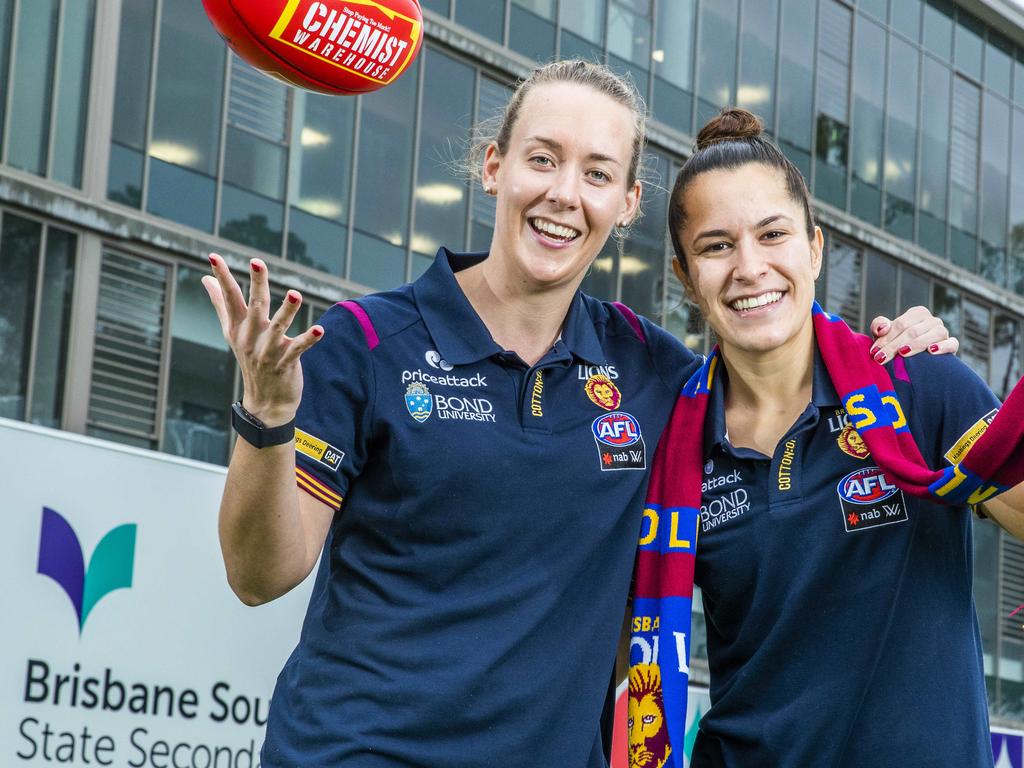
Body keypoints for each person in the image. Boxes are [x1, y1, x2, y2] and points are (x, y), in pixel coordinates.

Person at [201, 61, 953, 767]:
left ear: (626, 204)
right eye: (542, 159)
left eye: (597, 173)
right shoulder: (363, 343)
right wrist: (266, 418)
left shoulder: (657, 374)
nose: (565, 193)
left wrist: (897, 349)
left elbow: (782, 373)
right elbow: (259, 574)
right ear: (493, 167)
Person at [628, 107, 1024, 768]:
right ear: (684, 275)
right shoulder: (670, 440)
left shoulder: (920, 388)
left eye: (772, 234)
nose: (750, 267)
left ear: (814, 248)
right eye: (717, 245)